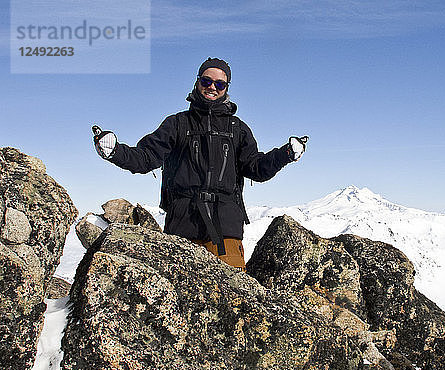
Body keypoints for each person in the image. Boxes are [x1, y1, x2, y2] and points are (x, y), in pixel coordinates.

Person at [93, 57, 308, 270]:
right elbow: (146, 157)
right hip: (182, 229)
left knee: (232, 300)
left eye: (220, 84)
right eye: (207, 81)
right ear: (197, 82)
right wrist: (115, 151)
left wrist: (286, 154)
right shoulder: (177, 124)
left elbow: (256, 168)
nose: (212, 87)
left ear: (226, 88)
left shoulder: (237, 129)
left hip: (226, 233)